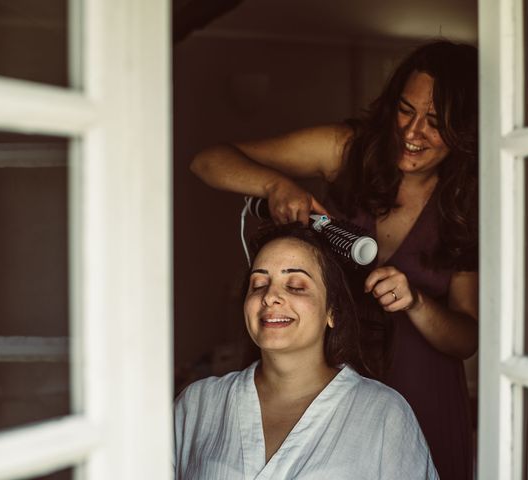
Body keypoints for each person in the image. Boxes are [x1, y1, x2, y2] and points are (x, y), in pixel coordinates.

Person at [190, 40, 478, 479]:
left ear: (464, 131)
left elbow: (466, 338)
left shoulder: (464, 201)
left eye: (435, 122)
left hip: (424, 389)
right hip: (336, 378)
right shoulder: (347, 151)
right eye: (405, 110)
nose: (412, 132)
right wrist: (273, 186)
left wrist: (417, 302)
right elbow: (207, 162)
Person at [174, 224, 438, 479]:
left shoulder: (384, 413)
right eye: (258, 285)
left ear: (332, 311)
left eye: (296, 286)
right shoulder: (197, 404)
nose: (270, 296)